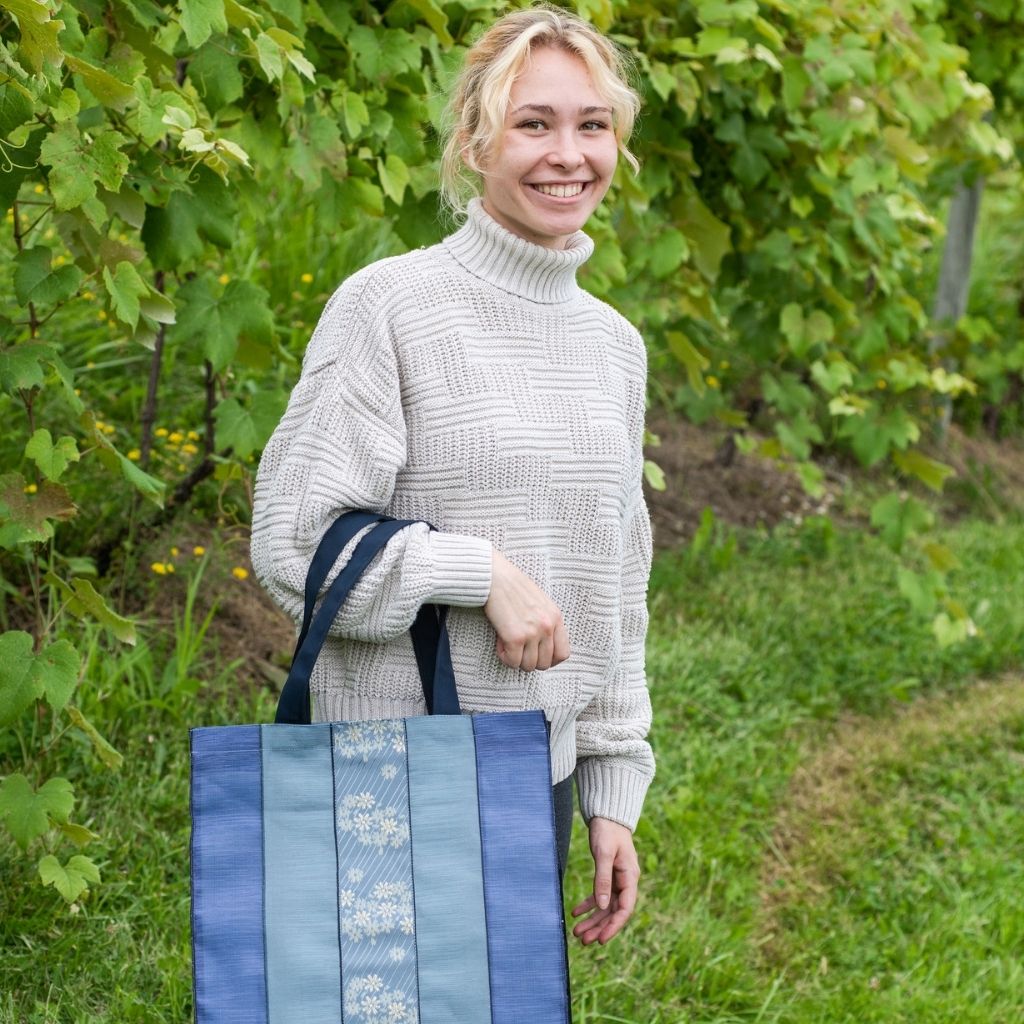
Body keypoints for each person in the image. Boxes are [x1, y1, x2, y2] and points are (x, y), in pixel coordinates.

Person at [251, 2, 654, 948]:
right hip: (388, 764)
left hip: (534, 770)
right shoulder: (391, 307)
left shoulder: (614, 347)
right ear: (475, 144)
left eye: (592, 125)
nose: (569, 154)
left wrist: (610, 781)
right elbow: (291, 544)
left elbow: (616, 584)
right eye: (533, 123)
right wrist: (477, 574)